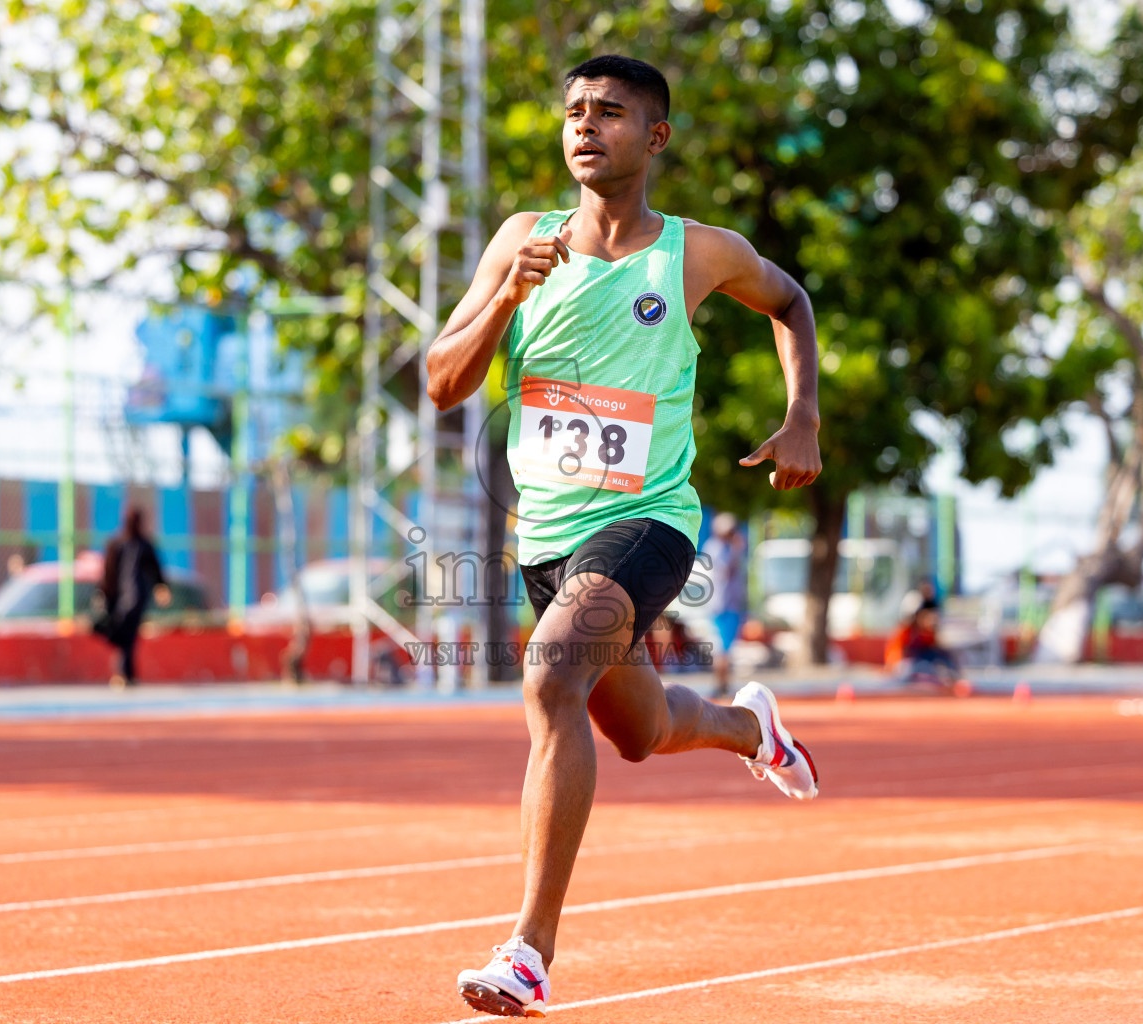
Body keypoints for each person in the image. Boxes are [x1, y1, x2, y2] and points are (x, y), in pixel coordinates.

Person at [426, 55, 824, 1018]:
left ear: (656, 137)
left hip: (648, 522)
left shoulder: (695, 252)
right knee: (640, 733)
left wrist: (803, 412)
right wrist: (502, 298)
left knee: (551, 674)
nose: (585, 126)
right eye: (573, 112)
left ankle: (528, 948)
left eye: (609, 112)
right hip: (546, 540)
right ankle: (748, 728)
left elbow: (792, 303)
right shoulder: (522, 240)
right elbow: (442, 381)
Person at [97, 507, 170, 689]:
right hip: (120, 597)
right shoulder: (117, 543)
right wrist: (104, 593)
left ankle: (124, 673)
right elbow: (109, 571)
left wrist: (161, 586)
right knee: (124, 635)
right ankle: (125, 673)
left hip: (134, 598)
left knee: (128, 635)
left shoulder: (143, 544)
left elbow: (155, 568)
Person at [699, 511, 750, 697]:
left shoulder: (725, 547)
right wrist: (737, 551)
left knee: (726, 648)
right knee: (722, 648)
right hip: (721, 605)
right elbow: (726, 572)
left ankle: (724, 684)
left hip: (732, 605)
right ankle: (720, 684)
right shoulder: (716, 548)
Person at [885, 598, 969, 695]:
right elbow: (896, 656)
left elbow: (937, 652)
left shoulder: (929, 632)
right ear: (918, 616)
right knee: (917, 668)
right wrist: (894, 668)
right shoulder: (907, 631)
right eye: (926, 616)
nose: (930, 620)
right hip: (908, 665)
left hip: (924, 664)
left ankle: (956, 680)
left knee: (942, 656)